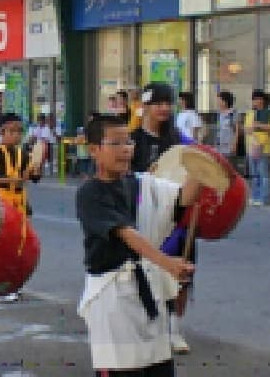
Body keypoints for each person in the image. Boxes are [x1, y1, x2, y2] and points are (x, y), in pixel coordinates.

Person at [75, 114, 200, 376]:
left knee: (159, 369)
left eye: (128, 142)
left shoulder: (141, 183)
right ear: (95, 150)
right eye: (116, 143)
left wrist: (202, 170)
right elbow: (126, 233)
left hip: (146, 292)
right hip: (112, 300)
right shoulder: (90, 192)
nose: (126, 149)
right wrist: (167, 262)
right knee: (123, 370)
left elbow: (182, 198)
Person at [130, 82, 193, 354]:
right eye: (158, 103)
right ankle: (146, 324)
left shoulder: (179, 139)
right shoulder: (132, 140)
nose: (164, 109)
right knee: (144, 273)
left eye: (168, 103)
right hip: (145, 217)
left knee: (180, 273)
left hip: (179, 216)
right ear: (144, 106)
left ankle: (174, 328)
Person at [0, 112, 41, 302]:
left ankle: (11, 285)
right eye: (12, 131)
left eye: (19, 131)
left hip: (20, 204)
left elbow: (33, 178)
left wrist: (36, 168)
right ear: (1, 132)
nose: (16, 135)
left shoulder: (23, 155)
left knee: (19, 248)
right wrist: (14, 179)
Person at [244, 90, 270, 206]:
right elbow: (246, 129)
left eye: (256, 99)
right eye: (253, 99)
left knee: (263, 174)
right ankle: (255, 196)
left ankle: (263, 198)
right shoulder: (250, 113)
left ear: (262, 100)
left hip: (264, 148)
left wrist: (259, 125)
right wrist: (250, 129)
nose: (254, 101)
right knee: (254, 174)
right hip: (252, 147)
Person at [214, 91, 238, 164]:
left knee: (227, 167)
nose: (217, 102)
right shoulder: (219, 114)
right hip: (218, 147)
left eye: (219, 100)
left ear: (225, 101)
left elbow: (236, 130)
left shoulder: (232, 113)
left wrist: (234, 144)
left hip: (228, 147)